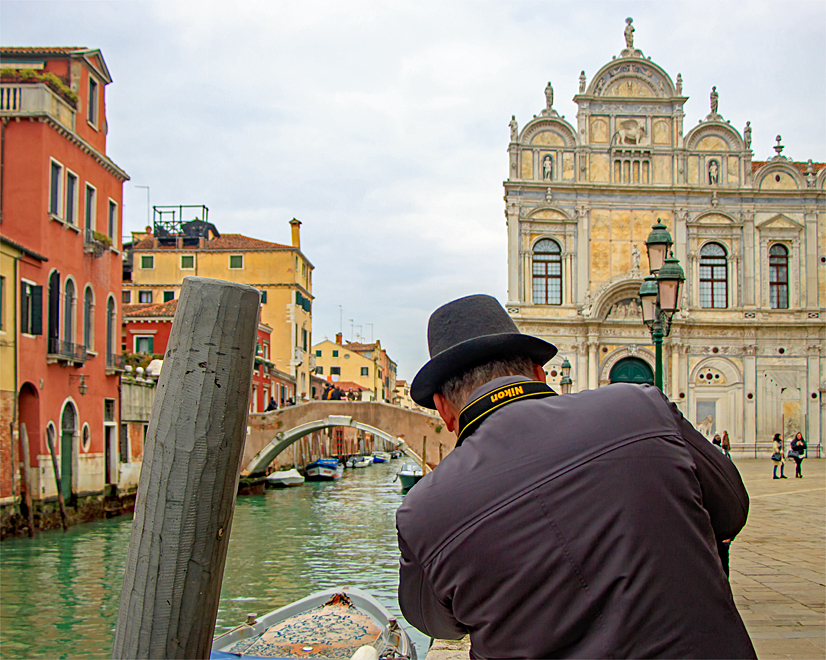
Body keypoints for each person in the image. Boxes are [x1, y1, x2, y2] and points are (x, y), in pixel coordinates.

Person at [397, 294, 755, 659]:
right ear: (539, 373)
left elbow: (438, 625)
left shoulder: (423, 511)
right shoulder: (643, 407)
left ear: (442, 408)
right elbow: (732, 510)